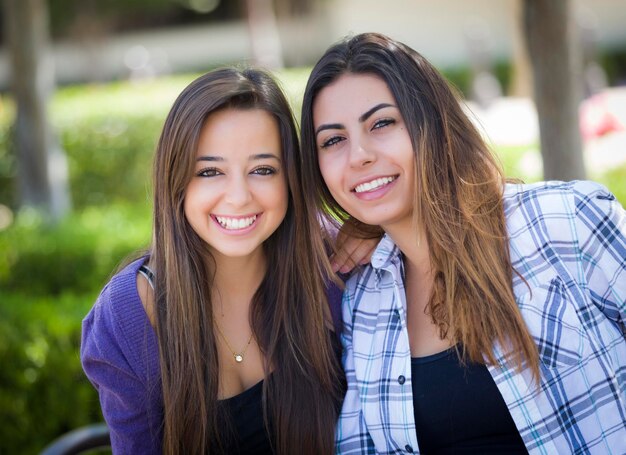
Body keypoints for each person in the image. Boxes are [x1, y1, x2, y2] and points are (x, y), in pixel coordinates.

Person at [299, 32, 626, 454]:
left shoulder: (564, 221)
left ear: (431, 121)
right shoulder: (364, 299)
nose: (358, 155)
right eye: (333, 140)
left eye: (382, 123)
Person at [81, 67, 372, 454]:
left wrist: (377, 231)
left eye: (263, 170)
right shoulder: (132, 314)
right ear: (177, 181)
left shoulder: (328, 262)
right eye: (211, 171)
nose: (238, 196)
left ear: (290, 178)